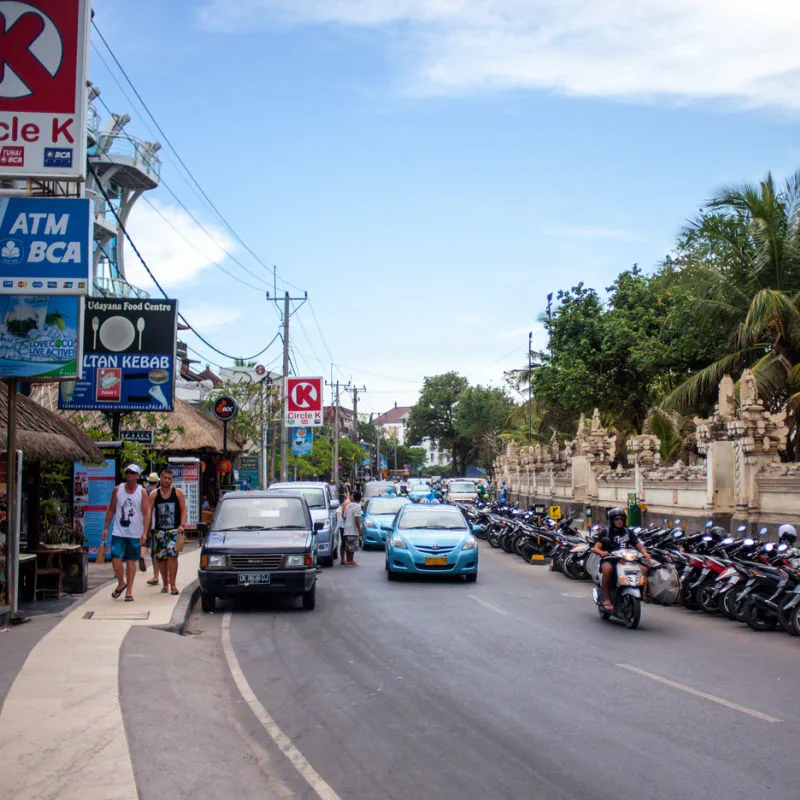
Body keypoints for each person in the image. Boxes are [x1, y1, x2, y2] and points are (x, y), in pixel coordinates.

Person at [101, 464, 150, 602]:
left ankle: (129, 591)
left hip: (134, 532)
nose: (129, 475)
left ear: (137, 475)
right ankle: (121, 582)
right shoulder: (118, 489)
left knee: (130, 561)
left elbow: (146, 513)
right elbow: (111, 509)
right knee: (115, 556)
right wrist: (105, 528)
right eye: (127, 472)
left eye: (132, 473)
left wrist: (144, 532)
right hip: (119, 531)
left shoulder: (142, 492)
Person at [592, 507, 651, 612]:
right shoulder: (606, 532)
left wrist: (645, 553)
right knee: (607, 570)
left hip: (627, 559)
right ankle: (606, 598)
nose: (619, 521)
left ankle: (643, 594)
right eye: (617, 519)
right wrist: (602, 552)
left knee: (644, 569)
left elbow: (638, 545)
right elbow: (596, 548)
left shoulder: (628, 532)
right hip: (610, 559)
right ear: (612, 520)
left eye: (622, 519)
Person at [148, 468, 187, 595]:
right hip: (159, 530)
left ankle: (173, 585)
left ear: (172, 480)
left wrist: (182, 524)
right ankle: (165, 583)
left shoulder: (178, 493)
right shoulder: (154, 494)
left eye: (169, 478)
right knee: (161, 558)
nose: (167, 481)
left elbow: (183, 510)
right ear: (161, 478)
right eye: (165, 478)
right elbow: (148, 512)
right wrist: (147, 529)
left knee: (173, 556)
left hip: (174, 530)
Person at [144, 472, 161, 586]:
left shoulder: (145, 491)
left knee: (156, 552)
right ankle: (161, 577)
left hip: (154, 526)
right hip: (156, 526)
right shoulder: (154, 493)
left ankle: (157, 577)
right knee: (160, 553)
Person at [342, 490, 363, 565]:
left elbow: (344, 516)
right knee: (353, 546)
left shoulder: (348, 505)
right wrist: (359, 529)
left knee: (348, 545)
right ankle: (351, 560)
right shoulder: (358, 507)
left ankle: (349, 560)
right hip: (353, 529)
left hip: (347, 528)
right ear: (360, 499)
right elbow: (356, 518)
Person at [337, 491, 351, 562]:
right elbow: (343, 515)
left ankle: (348, 559)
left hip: (347, 525)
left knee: (347, 542)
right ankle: (343, 559)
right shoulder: (347, 503)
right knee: (344, 542)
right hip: (344, 525)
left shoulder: (350, 503)